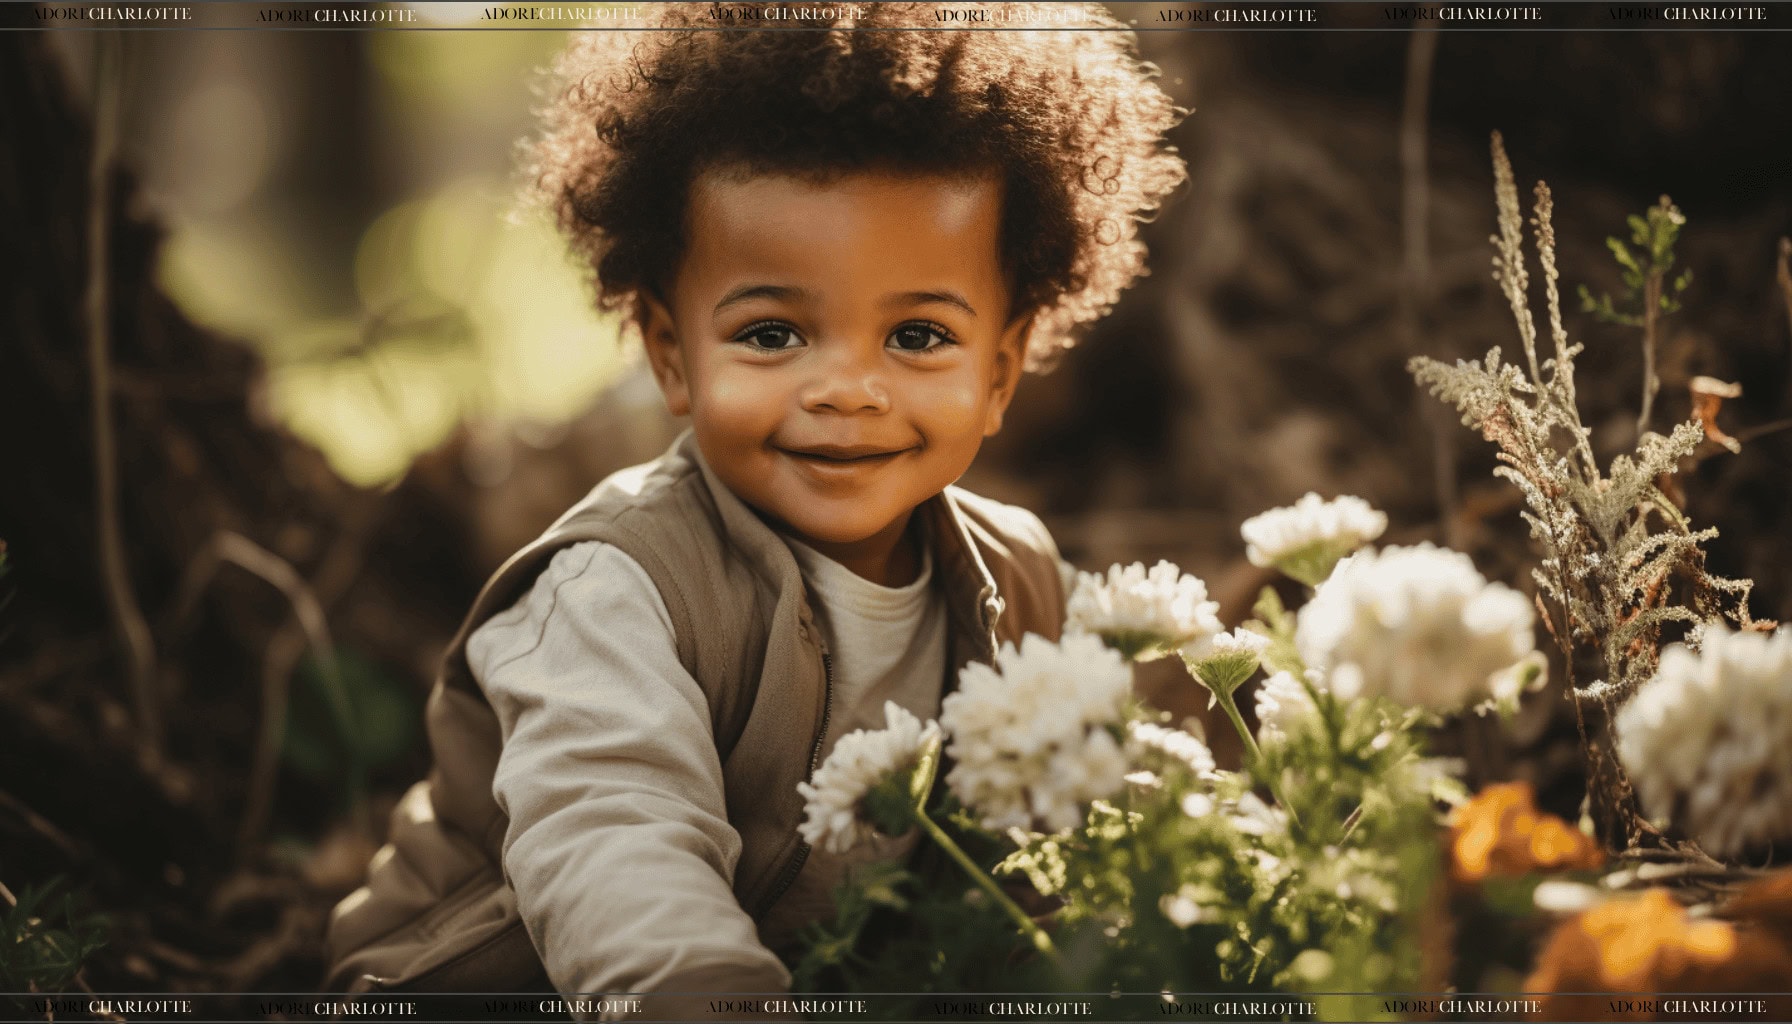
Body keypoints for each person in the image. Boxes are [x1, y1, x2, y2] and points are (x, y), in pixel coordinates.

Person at [323, 2, 1186, 1008]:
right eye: (774, 334)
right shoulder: (617, 587)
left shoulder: (1017, 580)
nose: (846, 389)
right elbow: (612, 838)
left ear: (1000, 370)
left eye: (916, 337)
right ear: (667, 354)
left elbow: (1060, 842)